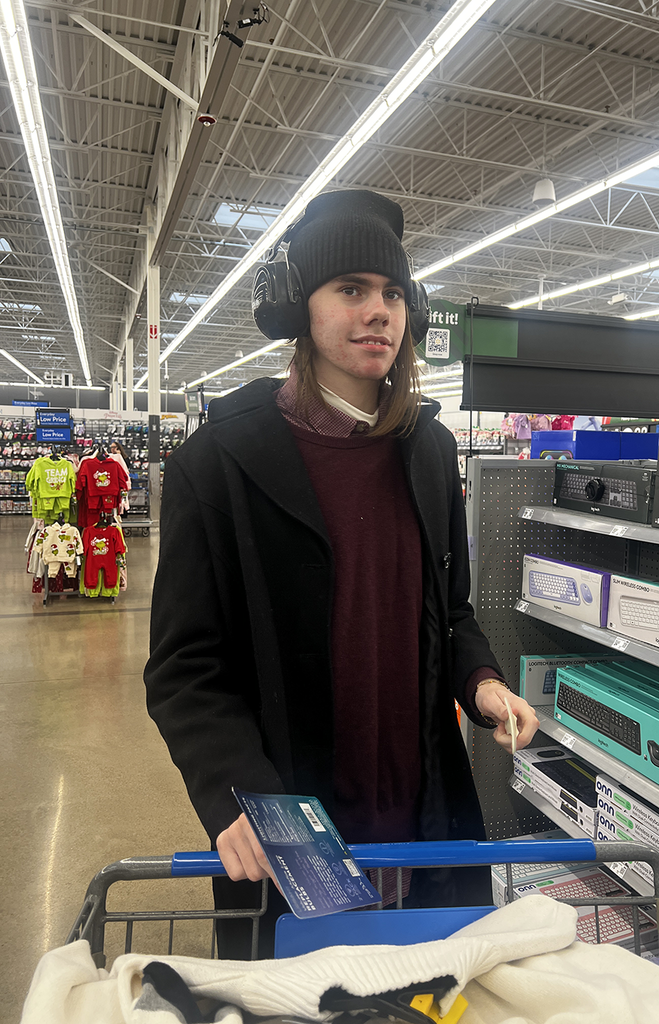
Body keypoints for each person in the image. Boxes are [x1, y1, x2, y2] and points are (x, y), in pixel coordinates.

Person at [143, 189, 539, 955]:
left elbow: (448, 612)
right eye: (351, 289)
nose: (379, 311)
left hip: (422, 819)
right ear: (300, 306)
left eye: (392, 293)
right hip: (291, 830)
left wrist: (481, 683)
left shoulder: (428, 450)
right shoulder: (219, 465)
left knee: (422, 991)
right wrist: (231, 796)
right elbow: (186, 668)